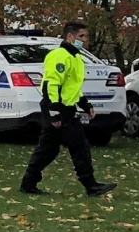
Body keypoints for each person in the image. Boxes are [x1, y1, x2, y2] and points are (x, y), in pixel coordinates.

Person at [18, 21, 113, 198]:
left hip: (65, 108)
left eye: (86, 36)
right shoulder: (60, 56)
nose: (85, 40)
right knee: (79, 147)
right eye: (81, 36)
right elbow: (51, 85)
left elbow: (71, 87)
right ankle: (90, 185)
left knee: (48, 149)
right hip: (58, 108)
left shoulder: (75, 57)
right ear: (70, 37)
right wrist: (54, 113)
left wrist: (85, 104)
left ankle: (28, 183)